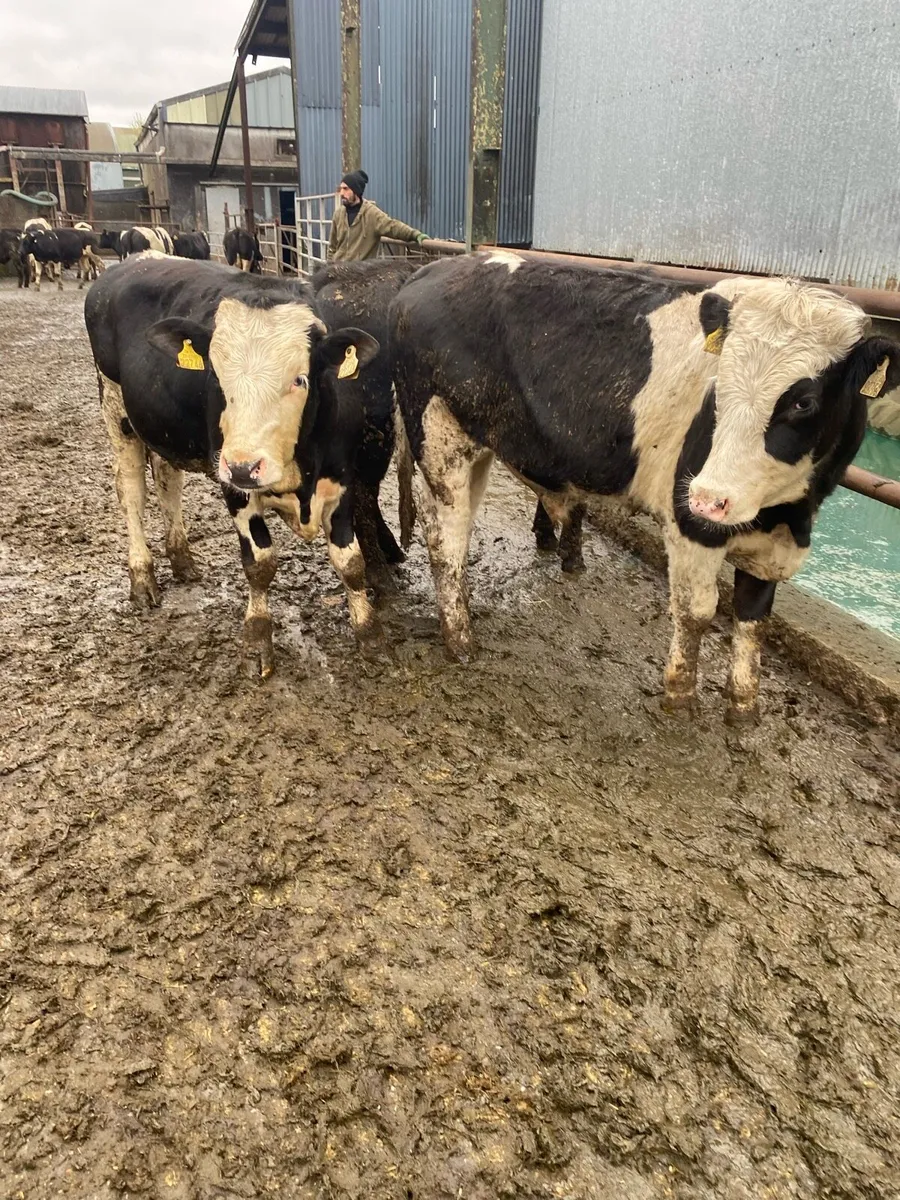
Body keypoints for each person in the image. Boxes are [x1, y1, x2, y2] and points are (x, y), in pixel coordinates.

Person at [328, 169, 429, 261]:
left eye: (346, 189)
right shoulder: (338, 214)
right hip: (338, 273)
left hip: (358, 275)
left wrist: (415, 235)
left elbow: (393, 226)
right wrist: (329, 268)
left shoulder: (372, 214)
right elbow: (332, 247)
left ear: (356, 191)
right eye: (340, 189)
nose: (341, 193)